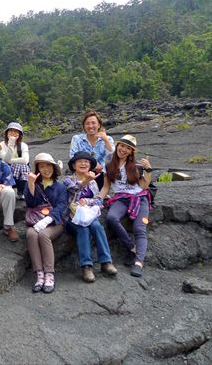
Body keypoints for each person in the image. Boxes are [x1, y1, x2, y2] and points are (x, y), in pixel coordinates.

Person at [99, 135, 153, 278]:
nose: (123, 149)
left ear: (131, 152)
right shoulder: (109, 163)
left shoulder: (136, 166)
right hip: (121, 198)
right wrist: (97, 199)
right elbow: (106, 187)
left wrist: (148, 170)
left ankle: (139, 263)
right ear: (117, 145)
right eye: (122, 146)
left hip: (139, 199)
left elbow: (144, 186)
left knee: (139, 229)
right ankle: (132, 248)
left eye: (128, 148)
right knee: (111, 218)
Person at [64, 151, 117, 283]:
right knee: (83, 230)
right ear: (74, 165)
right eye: (80, 161)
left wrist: (87, 202)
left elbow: (98, 199)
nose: (83, 163)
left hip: (88, 214)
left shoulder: (93, 183)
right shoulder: (68, 180)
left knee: (97, 227)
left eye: (86, 162)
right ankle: (86, 266)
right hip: (72, 216)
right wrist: (85, 181)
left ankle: (106, 262)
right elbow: (73, 191)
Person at [24, 153, 67, 293]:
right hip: (36, 221)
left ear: (54, 168)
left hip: (55, 223)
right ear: (37, 169)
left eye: (48, 165)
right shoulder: (33, 183)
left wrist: (48, 220)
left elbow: (61, 206)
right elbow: (30, 203)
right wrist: (30, 184)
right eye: (41, 166)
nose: (45, 169)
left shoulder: (60, 188)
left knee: (43, 235)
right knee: (31, 233)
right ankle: (39, 273)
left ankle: (49, 273)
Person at [70, 111, 114, 190]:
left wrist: (106, 141)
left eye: (93, 123)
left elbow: (113, 158)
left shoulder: (108, 139)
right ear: (84, 126)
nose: (90, 126)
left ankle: (101, 194)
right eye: (87, 123)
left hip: (102, 174)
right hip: (83, 171)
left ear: (99, 125)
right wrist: (94, 164)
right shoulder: (77, 139)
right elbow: (73, 156)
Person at [0, 122, 31, 200]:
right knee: (11, 165)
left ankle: (21, 190)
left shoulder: (23, 145)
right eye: (11, 131)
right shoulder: (0, 145)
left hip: (19, 173)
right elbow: (5, 160)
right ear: (7, 133)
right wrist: (11, 144)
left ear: (20, 134)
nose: (13, 133)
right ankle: (8, 189)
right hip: (4, 171)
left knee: (23, 166)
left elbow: (25, 160)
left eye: (16, 131)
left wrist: (11, 161)